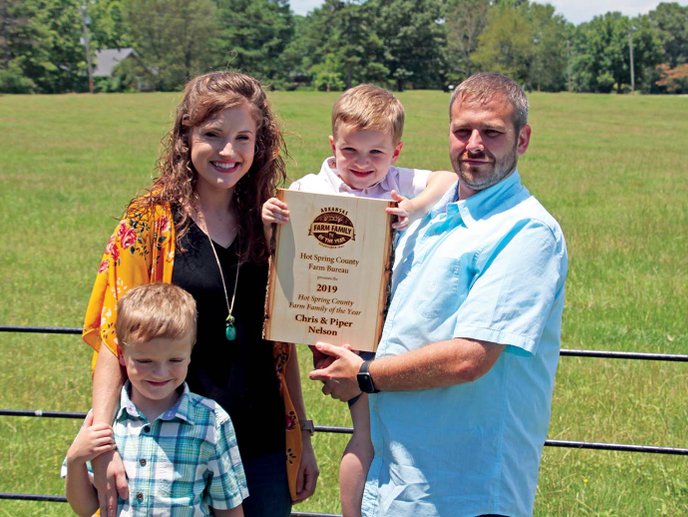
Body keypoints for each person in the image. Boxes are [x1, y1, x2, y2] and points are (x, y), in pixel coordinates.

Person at [308, 72, 568, 516]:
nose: (474, 144)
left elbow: (471, 358)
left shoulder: (526, 231)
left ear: (522, 139)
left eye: (492, 132)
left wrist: (365, 375)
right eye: (462, 130)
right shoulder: (429, 214)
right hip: (395, 480)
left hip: (462, 488)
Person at [83, 71, 318, 517]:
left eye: (243, 138)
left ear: (259, 143)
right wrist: (104, 441)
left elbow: (279, 342)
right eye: (213, 135)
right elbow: (114, 336)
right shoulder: (148, 223)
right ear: (185, 137)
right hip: (172, 443)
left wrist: (302, 434)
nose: (228, 152)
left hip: (263, 445)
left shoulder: (273, 220)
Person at [261, 83, 455, 516]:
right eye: (350, 151)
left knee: (390, 430)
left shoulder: (397, 182)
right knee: (367, 430)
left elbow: (449, 180)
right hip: (336, 326)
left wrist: (415, 206)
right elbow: (280, 245)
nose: (363, 164)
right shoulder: (312, 187)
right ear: (333, 145)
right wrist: (270, 217)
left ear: (397, 151)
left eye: (376, 154)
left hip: (389, 323)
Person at [65, 283, 248, 516]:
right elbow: (85, 507)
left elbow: (229, 508)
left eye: (174, 360)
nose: (160, 373)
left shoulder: (211, 422)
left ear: (190, 353)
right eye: (145, 361)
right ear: (121, 354)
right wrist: (75, 460)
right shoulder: (104, 420)